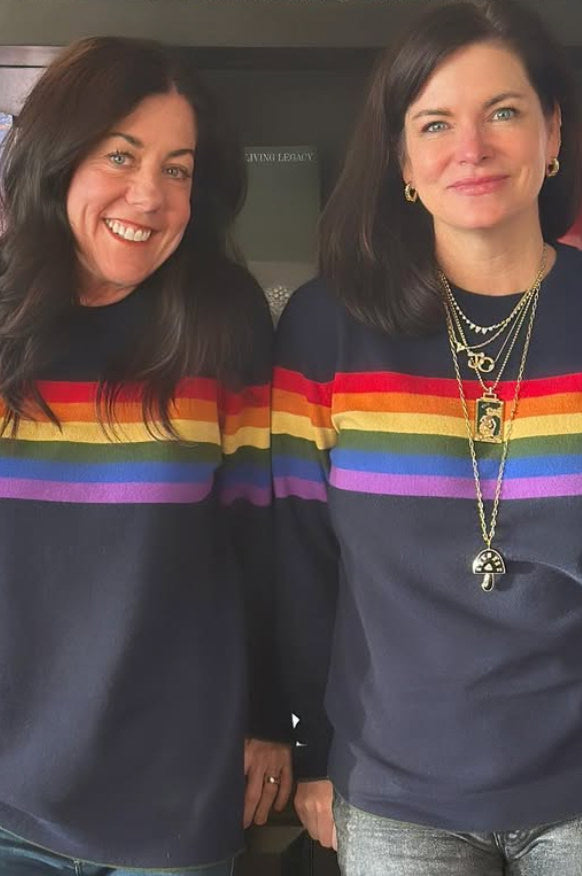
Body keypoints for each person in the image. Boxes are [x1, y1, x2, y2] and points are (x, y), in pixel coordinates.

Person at [272, 0, 582, 873]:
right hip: (396, 794)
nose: (471, 147)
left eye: (505, 113)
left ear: (552, 134)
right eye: (436, 122)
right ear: (403, 159)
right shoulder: (324, 328)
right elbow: (298, 563)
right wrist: (309, 747)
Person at [0, 36, 291, 876]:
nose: (150, 196)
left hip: (173, 799)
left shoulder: (222, 320)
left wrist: (272, 720)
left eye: (178, 168)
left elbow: (256, 545)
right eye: (121, 157)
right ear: (59, 162)